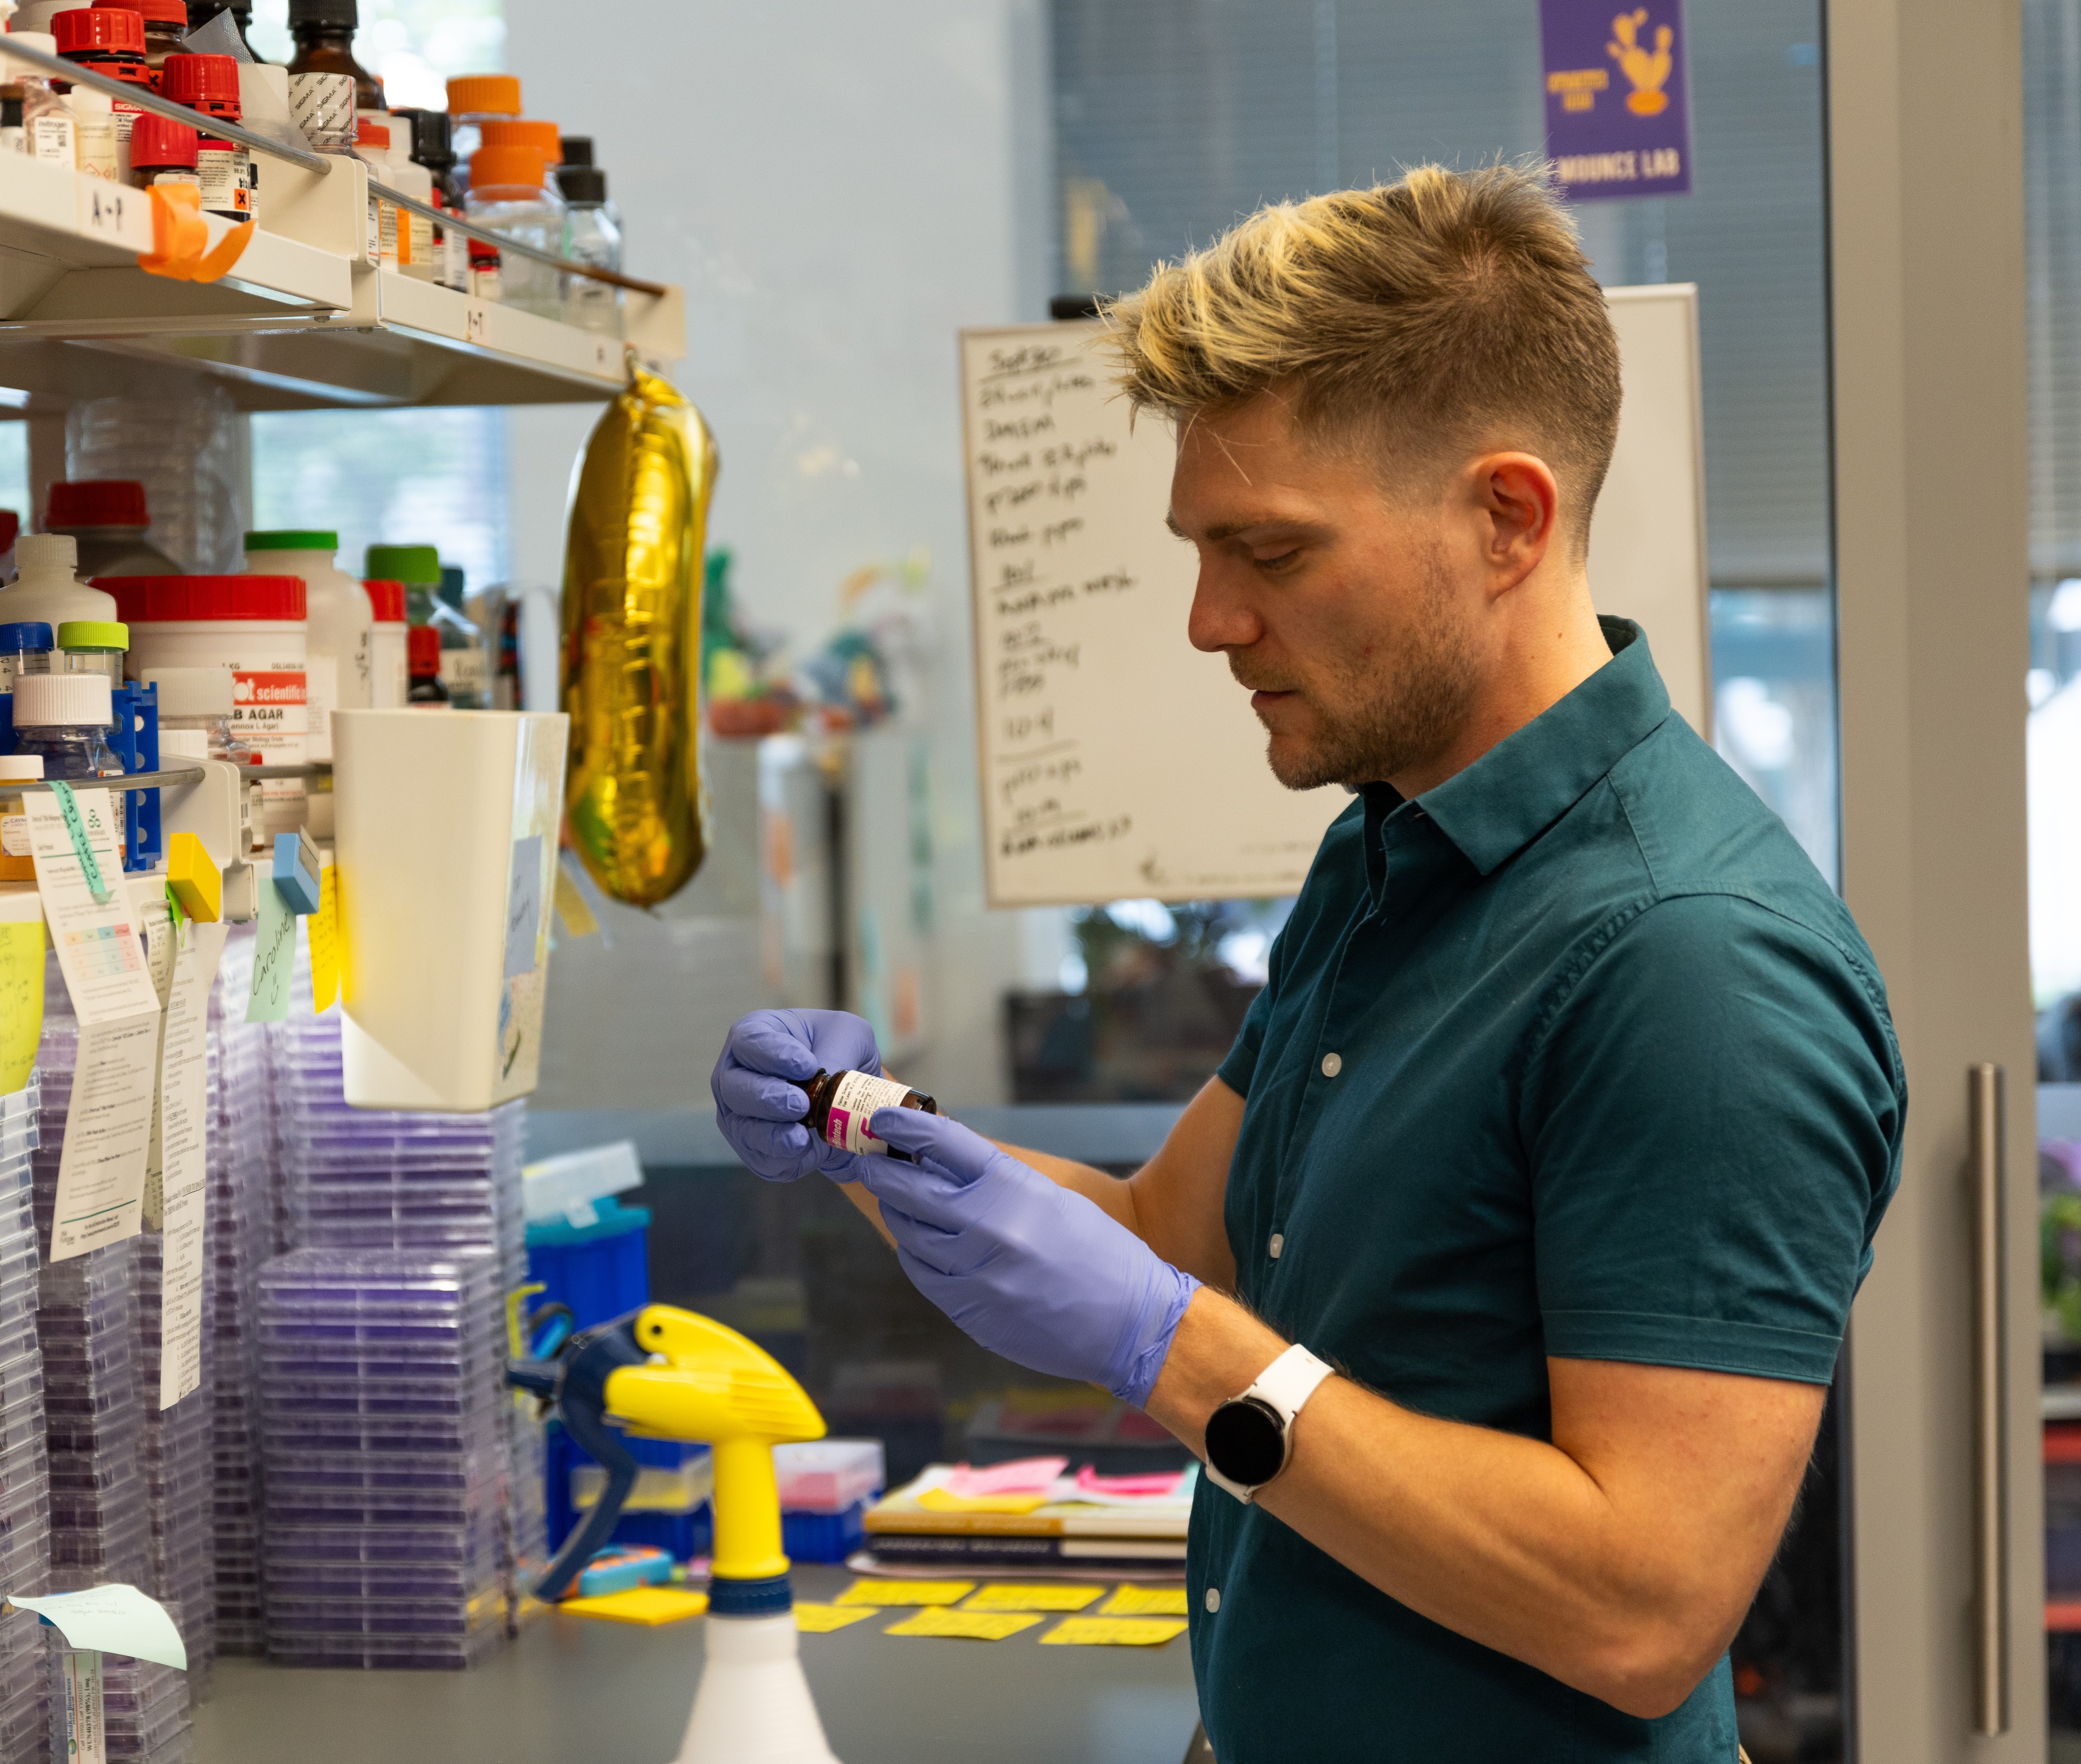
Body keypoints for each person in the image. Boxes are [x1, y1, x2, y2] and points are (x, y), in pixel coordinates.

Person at [709, 164, 1904, 1763]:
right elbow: (1163, 1236)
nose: (1211, 621)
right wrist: (868, 1134)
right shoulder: (1388, 849)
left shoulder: (1691, 964)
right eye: (1203, 549)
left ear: (1507, 517)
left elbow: (1640, 1607)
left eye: (1269, 551)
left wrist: (1171, 1350)